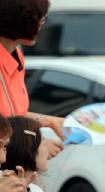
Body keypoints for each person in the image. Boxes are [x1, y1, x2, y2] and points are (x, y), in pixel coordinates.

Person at [0, 0, 65, 156]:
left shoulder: (17, 57)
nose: (43, 24)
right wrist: (35, 147)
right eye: (41, 18)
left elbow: (12, 114)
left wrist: (48, 121)